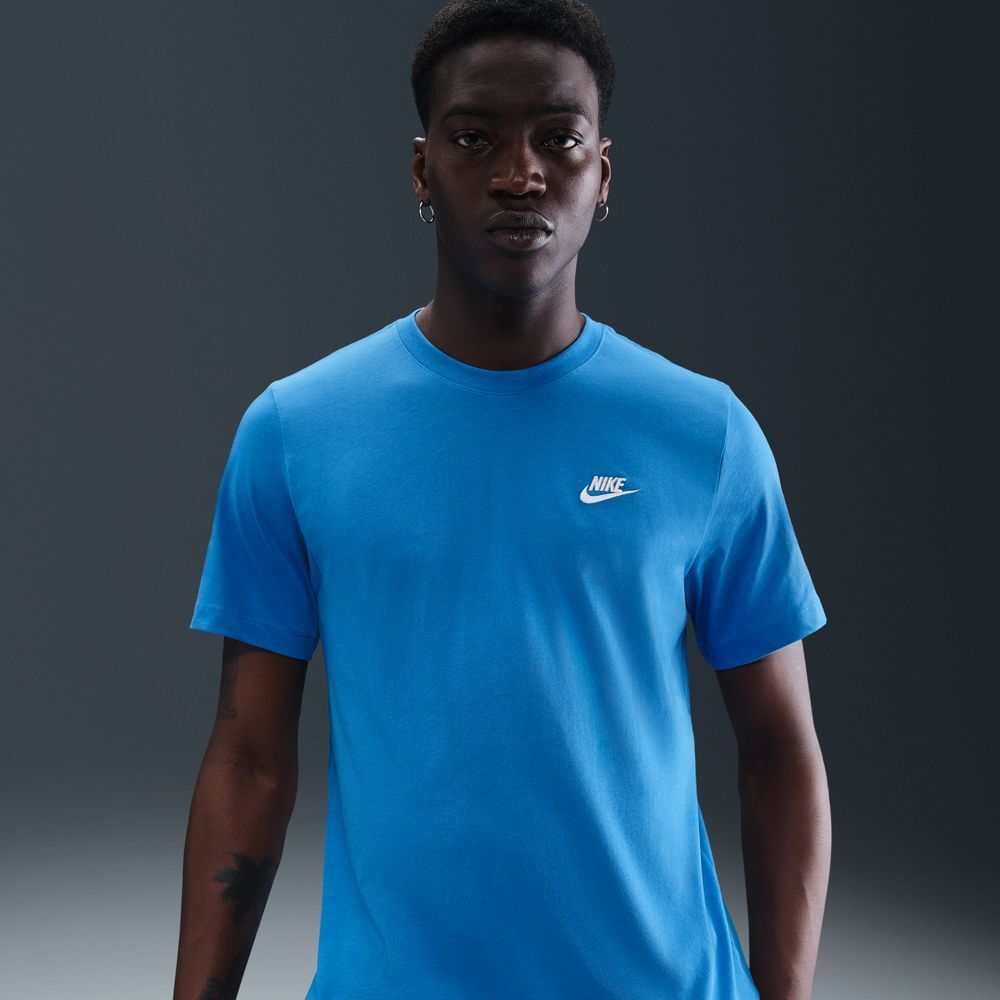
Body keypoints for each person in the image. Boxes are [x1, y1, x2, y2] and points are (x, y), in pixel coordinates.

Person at [173, 1, 832, 998]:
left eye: (558, 138)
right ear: (421, 170)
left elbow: (780, 753)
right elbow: (250, 760)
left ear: (601, 174)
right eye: (474, 137)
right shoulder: (295, 433)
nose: (520, 174)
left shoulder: (705, 434)